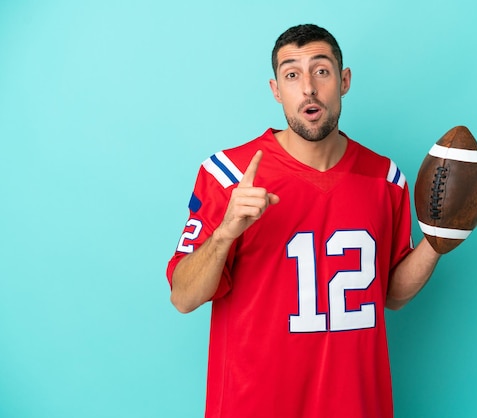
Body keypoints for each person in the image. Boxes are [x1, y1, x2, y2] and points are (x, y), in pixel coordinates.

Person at [167, 24, 446, 418]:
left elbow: (391, 294)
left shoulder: (385, 178)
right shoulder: (228, 174)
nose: (308, 88)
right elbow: (183, 297)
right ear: (276, 90)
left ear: (344, 80)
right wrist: (226, 231)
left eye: (322, 71)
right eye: (292, 75)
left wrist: (437, 242)